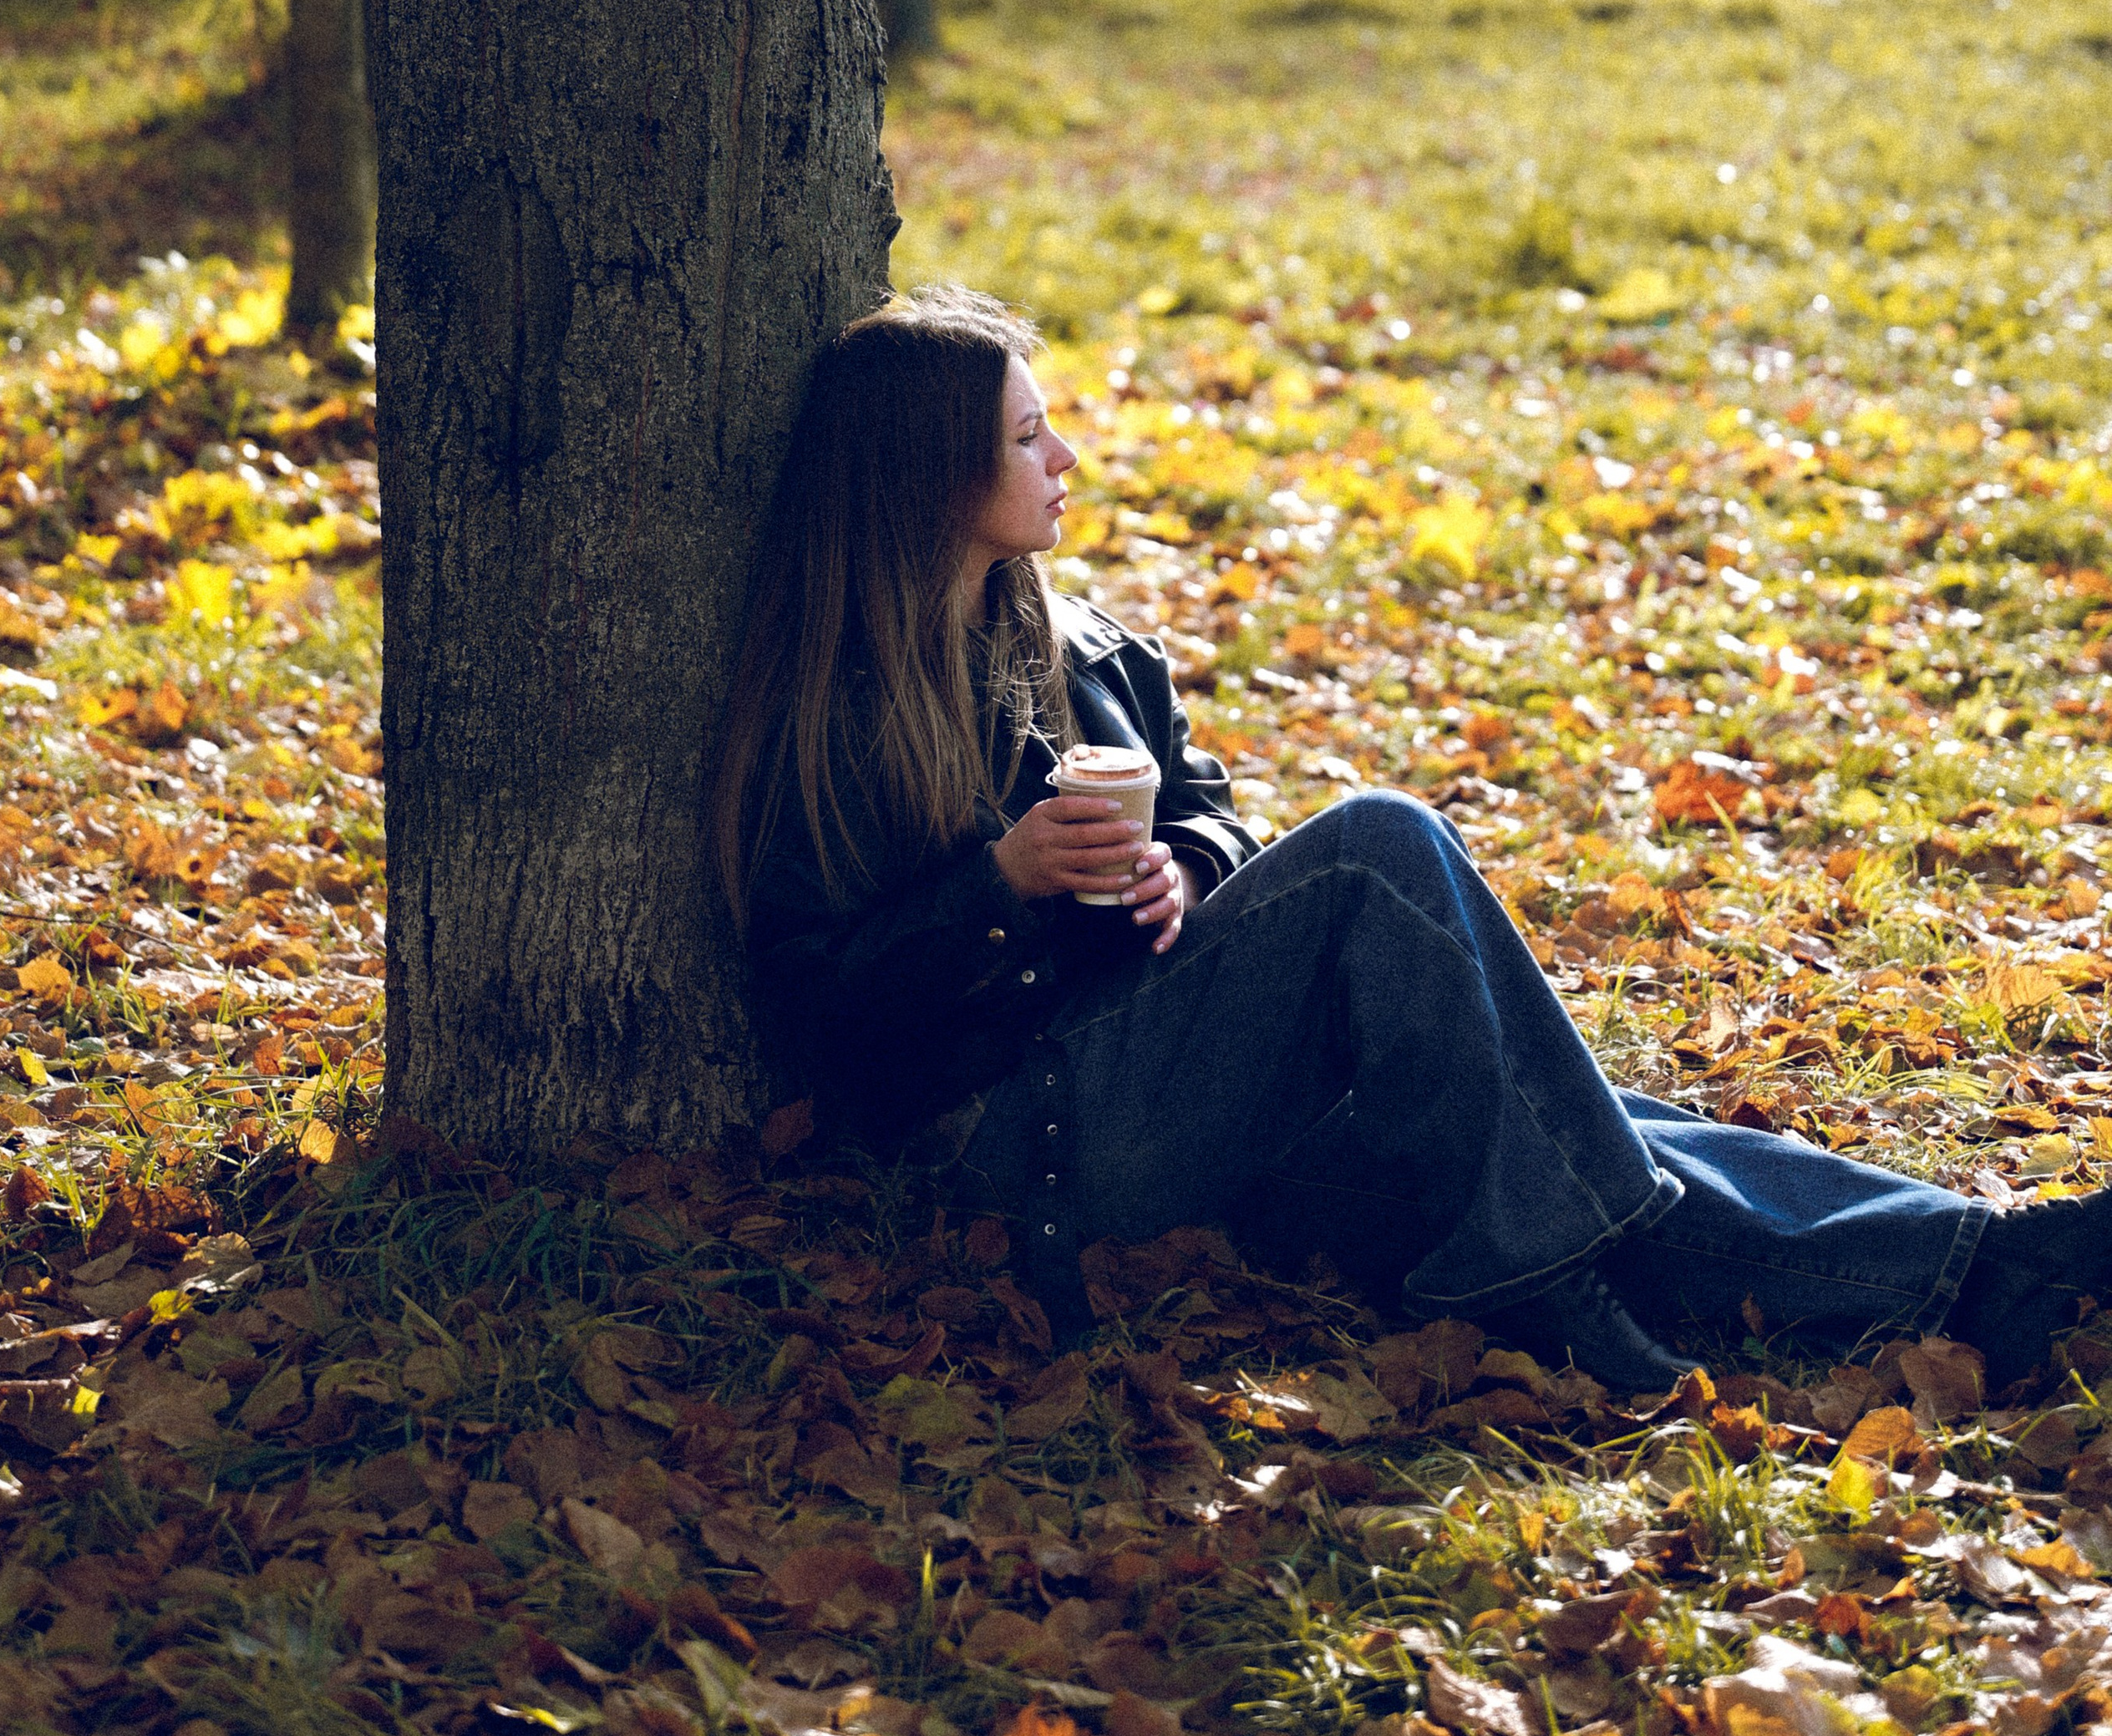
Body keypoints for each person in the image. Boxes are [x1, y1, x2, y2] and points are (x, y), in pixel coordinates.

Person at [716, 285, 2112, 1392]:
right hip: (1034, 1144)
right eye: (1028, 437)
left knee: (1544, 1120)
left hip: (1199, 1080)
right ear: (931, 472)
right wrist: (1001, 886)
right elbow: (819, 1008)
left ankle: (1989, 1274)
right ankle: (1530, 1284)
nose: (1065, 457)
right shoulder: (833, 708)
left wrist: (1182, 870)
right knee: (1381, 849)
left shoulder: (1082, 643)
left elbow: (1211, 815)